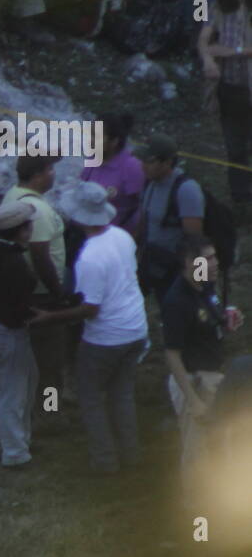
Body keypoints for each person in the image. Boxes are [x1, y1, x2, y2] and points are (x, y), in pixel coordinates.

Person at [32, 182, 148, 474]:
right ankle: (132, 455)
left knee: (90, 396)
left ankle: (105, 460)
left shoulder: (89, 258)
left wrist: (49, 317)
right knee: (122, 394)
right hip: (135, 327)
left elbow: (90, 309)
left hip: (106, 337)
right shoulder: (122, 237)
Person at [161, 235, 241, 476]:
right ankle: (197, 510)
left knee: (222, 445)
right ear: (189, 263)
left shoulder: (204, 285)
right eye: (207, 258)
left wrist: (226, 318)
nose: (215, 263)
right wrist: (193, 400)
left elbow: (207, 318)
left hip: (215, 377)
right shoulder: (176, 301)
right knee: (198, 455)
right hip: (195, 381)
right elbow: (172, 355)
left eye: (214, 256)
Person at [3, 155, 67, 398]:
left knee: (34, 355)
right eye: (50, 169)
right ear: (38, 175)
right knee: (49, 359)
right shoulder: (37, 210)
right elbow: (40, 255)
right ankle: (49, 411)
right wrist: (57, 292)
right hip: (42, 294)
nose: (53, 173)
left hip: (24, 290)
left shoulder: (12, 194)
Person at [0, 201, 39, 467]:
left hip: (2, 326)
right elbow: (18, 302)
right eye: (29, 224)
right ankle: (14, 453)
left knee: (25, 385)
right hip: (10, 331)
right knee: (14, 394)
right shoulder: (14, 262)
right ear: (21, 230)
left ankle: (22, 442)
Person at [198, 0, 252, 207]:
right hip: (231, 89)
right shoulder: (217, 8)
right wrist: (209, 59)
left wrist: (233, 52)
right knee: (235, 148)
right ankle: (241, 201)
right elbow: (203, 40)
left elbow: (225, 48)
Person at [137, 134, 204, 302]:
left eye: (149, 161)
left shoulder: (186, 190)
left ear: (167, 162)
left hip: (177, 270)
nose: (143, 166)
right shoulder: (150, 184)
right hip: (153, 263)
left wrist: (197, 279)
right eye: (142, 160)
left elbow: (195, 239)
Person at [81, 113, 145, 232]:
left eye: (97, 136)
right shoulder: (93, 159)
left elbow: (142, 208)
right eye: (91, 134)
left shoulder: (131, 167)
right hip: (87, 233)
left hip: (115, 236)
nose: (90, 140)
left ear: (114, 141)